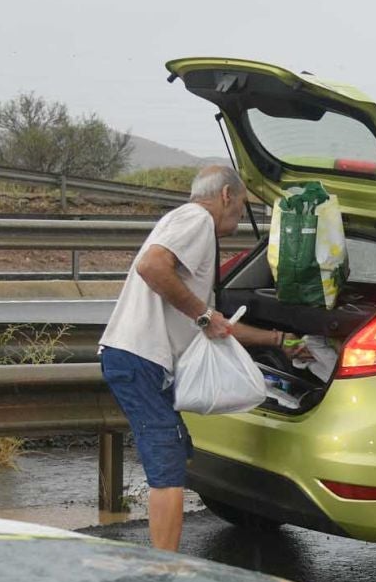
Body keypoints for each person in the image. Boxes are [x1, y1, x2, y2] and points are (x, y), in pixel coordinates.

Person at [99, 165, 285, 552]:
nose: (240, 217)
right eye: (242, 206)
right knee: (167, 466)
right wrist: (201, 314)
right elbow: (151, 267)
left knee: (175, 452)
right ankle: (166, 569)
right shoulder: (197, 219)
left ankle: (166, 560)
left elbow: (217, 325)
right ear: (226, 196)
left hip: (140, 360)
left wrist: (277, 340)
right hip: (141, 359)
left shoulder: (182, 223)